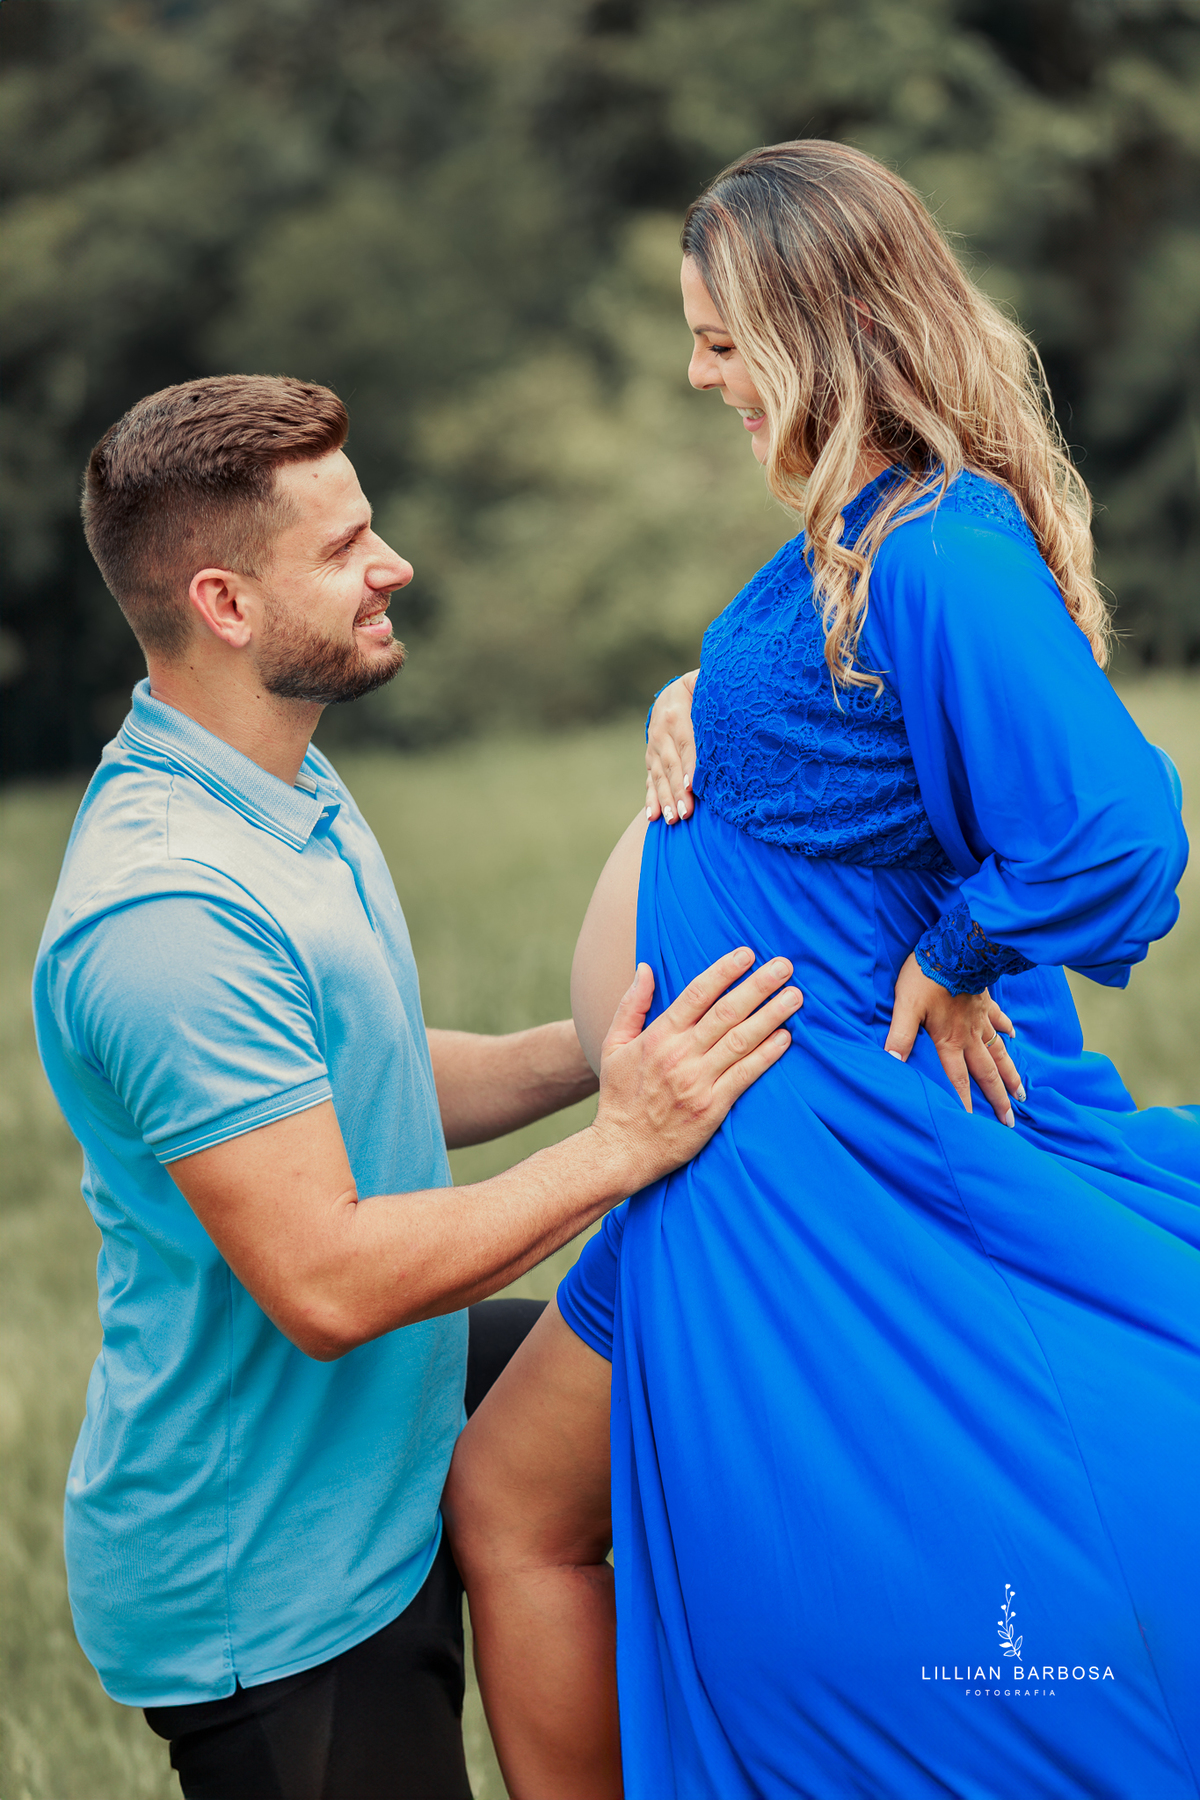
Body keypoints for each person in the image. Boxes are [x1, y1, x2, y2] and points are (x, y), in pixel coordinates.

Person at [445, 140, 1200, 1799]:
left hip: (815, 1144)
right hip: (733, 1142)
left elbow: (1120, 831)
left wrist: (961, 946)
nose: (699, 370)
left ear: (822, 324)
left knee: (854, 1577)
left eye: (722, 338)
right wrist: (694, 691)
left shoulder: (937, 538)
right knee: (513, 1503)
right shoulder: (854, 531)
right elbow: (856, 751)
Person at [31, 374, 805, 1800]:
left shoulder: (280, 792)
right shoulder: (168, 917)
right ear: (224, 605)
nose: (394, 564)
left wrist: (607, 1050)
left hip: (385, 1432)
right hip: (272, 1581)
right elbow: (327, 1284)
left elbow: (372, 1079)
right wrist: (625, 1142)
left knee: (710, 1339)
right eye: (343, 549)